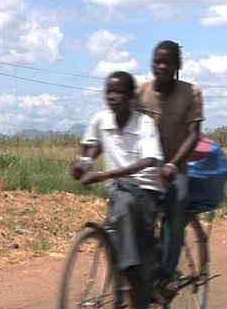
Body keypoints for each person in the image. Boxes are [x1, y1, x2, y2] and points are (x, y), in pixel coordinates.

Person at [70, 70, 169, 308]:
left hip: (146, 187)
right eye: (109, 92)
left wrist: (105, 174)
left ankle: (129, 278)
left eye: (119, 92)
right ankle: (126, 272)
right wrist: (82, 163)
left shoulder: (144, 123)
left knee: (126, 211)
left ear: (131, 96)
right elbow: (89, 147)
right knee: (119, 215)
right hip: (118, 188)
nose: (113, 97)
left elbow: (149, 161)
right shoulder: (101, 120)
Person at [135, 40, 204, 301]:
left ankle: (166, 275)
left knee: (176, 215)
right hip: (146, 170)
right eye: (157, 61)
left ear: (178, 66)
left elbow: (194, 134)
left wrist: (173, 164)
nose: (161, 66)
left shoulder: (191, 92)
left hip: (177, 169)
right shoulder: (140, 92)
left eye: (167, 62)